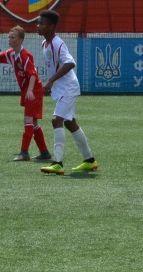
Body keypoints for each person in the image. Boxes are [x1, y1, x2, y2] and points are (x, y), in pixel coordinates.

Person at [0, 26, 51, 162]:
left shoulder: (26, 55)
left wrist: (30, 90)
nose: (9, 40)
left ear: (20, 40)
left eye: (12, 37)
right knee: (34, 122)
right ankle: (44, 152)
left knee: (28, 120)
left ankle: (24, 153)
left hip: (33, 89)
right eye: (9, 37)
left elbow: (33, 75)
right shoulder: (12, 53)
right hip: (28, 90)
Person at [36, 9, 97, 175]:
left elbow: (70, 63)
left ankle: (57, 163)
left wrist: (51, 81)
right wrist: (50, 84)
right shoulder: (45, 44)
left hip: (68, 87)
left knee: (56, 120)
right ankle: (89, 160)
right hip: (61, 89)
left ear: (51, 26)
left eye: (41, 23)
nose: (38, 26)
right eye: (38, 23)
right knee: (70, 123)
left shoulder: (57, 43)